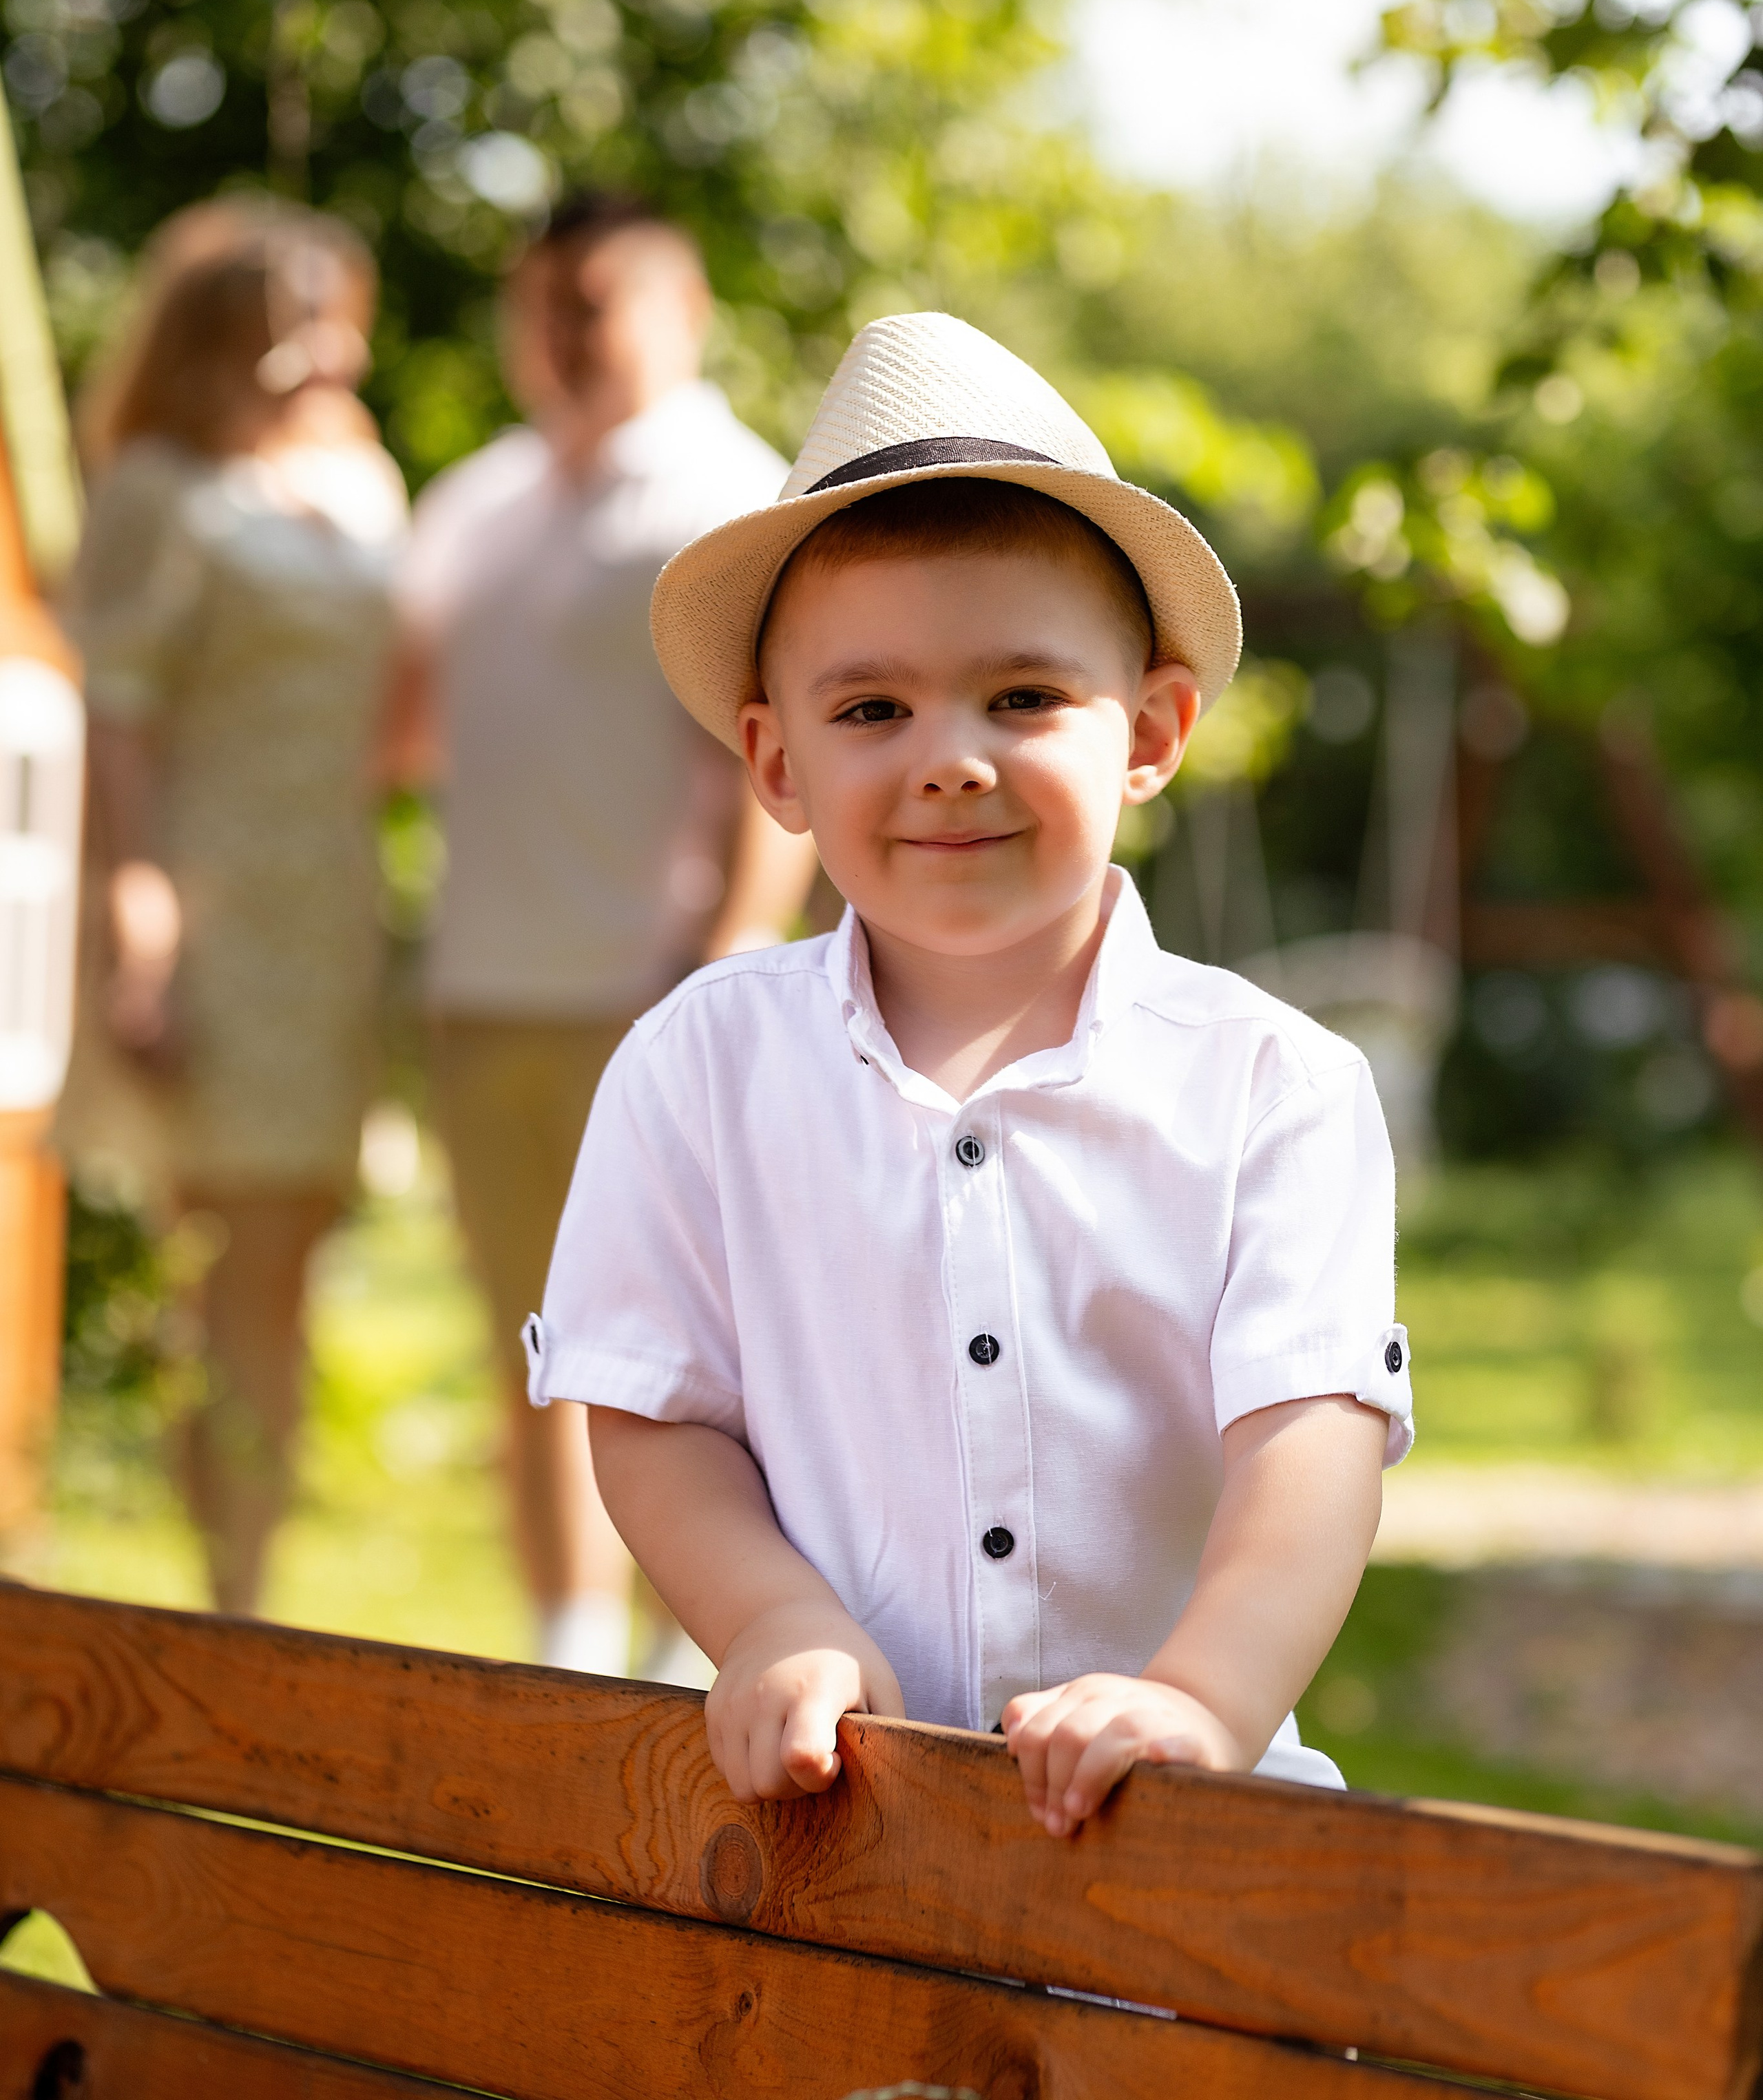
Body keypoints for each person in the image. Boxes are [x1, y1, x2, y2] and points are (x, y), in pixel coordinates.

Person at [526, 309, 1413, 1824]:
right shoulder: (698, 1069)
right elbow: (658, 1413)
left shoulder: (1277, 1087)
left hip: (1193, 1834)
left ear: (1152, 731)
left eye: (1022, 698)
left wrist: (1199, 1699)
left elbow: (1308, 1440)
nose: (949, 757)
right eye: (872, 708)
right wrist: (773, 1619)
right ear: (778, 764)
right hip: (836, 1827)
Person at [393, 190, 817, 1677]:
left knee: (690, 1367)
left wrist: (729, 963)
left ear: (683, 313)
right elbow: (398, 733)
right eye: (540, 307)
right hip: (484, 993)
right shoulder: (477, 502)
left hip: (647, 1001)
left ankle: (704, 1671)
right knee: (533, 1351)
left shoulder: (728, 497)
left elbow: (776, 764)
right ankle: (566, 1673)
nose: (563, 337)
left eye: (595, 304)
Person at [63, 196, 407, 1615]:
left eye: (337, 323)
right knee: (225, 1262)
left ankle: (245, 1581)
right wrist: (140, 918)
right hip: (210, 910)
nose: (331, 353)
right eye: (297, 326)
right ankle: (229, 1592)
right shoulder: (156, 487)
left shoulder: (360, 473)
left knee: (291, 1250)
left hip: (327, 908)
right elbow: (119, 721)